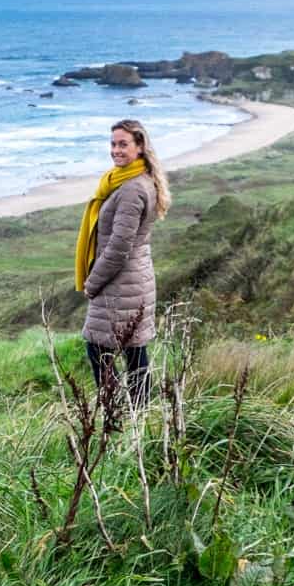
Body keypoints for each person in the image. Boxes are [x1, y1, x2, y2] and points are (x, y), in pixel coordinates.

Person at [74, 118, 170, 405]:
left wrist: (92, 282)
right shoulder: (132, 181)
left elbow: (118, 248)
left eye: (123, 144)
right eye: (113, 144)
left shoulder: (131, 190)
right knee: (133, 350)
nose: (116, 150)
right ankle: (139, 416)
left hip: (120, 284)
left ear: (139, 147)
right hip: (133, 280)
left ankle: (114, 411)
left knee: (99, 349)